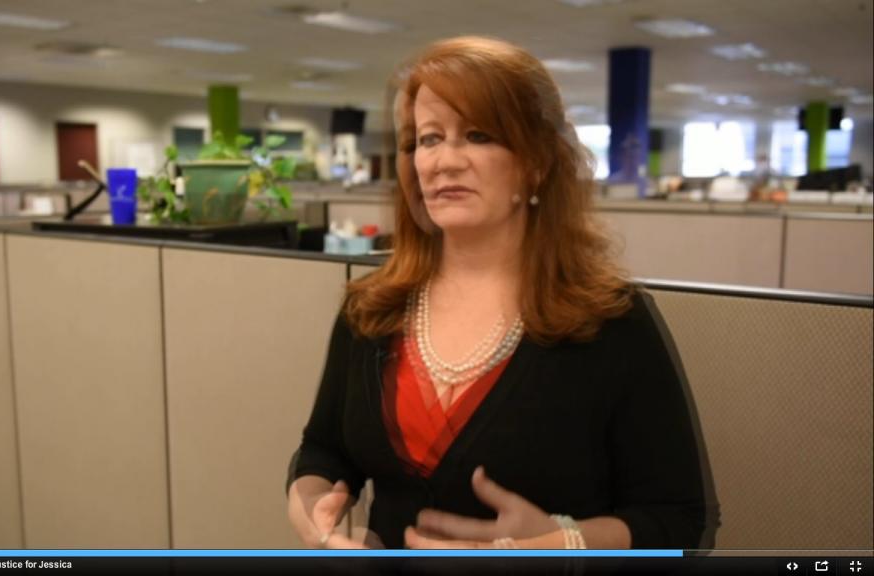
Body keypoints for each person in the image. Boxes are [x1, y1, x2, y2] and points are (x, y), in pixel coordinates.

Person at [286, 36, 712, 550]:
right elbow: (323, 450)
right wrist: (315, 515)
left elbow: (676, 519)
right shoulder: (372, 307)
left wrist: (559, 545)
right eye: (428, 139)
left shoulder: (610, 321)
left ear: (536, 162)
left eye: (478, 135)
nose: (444, 161)